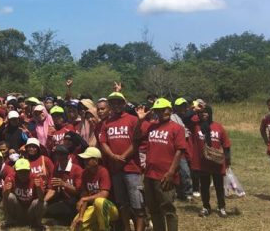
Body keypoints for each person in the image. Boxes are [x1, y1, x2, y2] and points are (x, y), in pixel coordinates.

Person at [135, 98, 187, 231]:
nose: (162, 112)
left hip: (165, 175)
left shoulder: (177, 128)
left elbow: (179, 151)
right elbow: (136, 137)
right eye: (158, 110)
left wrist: (171, 172)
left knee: (168, 209)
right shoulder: (151, 126)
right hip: (149, 174)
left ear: (170, 110)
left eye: (164, 110)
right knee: (153, 209)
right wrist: (140, 120)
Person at [98, 91, 145, 231]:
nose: (116, 105)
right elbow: (103, 143)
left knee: (137, 205)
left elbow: (136, 142)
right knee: (123, 204)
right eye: (113, 103)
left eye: (119, 102)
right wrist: (113, 156)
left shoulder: (133, 119)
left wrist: (122, 156)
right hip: (116, 169)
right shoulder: (107, 123)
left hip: (132, 169)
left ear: (124, 104)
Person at [190, 105, 230, 217]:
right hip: (203, 163)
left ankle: (221, 207)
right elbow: (188, 118)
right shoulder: (196, 126)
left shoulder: (218, 126)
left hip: (216, 162)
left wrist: (227, 161)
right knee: (204, 186)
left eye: (206, 112)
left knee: (219, 186)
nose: (204, 114)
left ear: (210, 113)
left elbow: (226, 145)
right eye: (202, 112)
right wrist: (195, 110)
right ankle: (206, 207)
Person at [70, 147, 118, 231]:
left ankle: (105, 228)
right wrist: (81, 216)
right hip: (94, 208)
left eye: (87, 159)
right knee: (75, 227)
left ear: (96, 161)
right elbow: (84, 195)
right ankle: (97, 226)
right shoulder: (85, 173)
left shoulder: (103, 171)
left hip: (110, 208)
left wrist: (85, 199)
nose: (85, 162)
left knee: (99, 201)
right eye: (84, 159)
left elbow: (104, 194)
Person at [0, 158, 46, 231]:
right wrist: (6, 191)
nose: (23, 174)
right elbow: (5, 199)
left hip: (30, 210)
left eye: (26, 171)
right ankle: (9, 221)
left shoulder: (36, 178)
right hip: (18, 209)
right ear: (15, 171)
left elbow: (41, 199)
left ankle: (37, 223)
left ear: (29, 171)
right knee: (10, 196)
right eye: (20, 172)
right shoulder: (10, 177)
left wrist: (38, 188)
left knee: (43, 203)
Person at [44, 145, 83, 224]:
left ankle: (67, 220)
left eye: (62, 154)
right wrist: (43, 202)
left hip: (76, 199)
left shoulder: (77, 169)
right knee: (47, 210)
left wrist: (64, 184)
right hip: (63, 199)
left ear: (67, 156)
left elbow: (79, 192)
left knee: (69, 205)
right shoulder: (56, 168)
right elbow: (53, 190)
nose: (59, 157)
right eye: (57, 154)